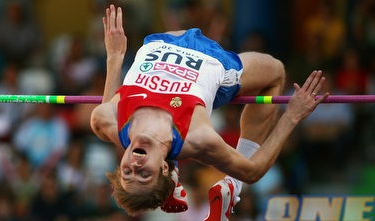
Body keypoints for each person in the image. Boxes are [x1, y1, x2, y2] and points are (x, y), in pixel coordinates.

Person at [90, 4, 329, 220]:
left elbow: (108, 101)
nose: (135, 164)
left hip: (161, 43)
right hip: (210, 60)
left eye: (127, 171)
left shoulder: (106, 122)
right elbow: (253, 171)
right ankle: (232, 186)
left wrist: (114, 55)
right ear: (161, 168)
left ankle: (173, 179)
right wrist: (292, 115)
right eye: (143, 175)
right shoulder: (197, 138)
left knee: (184, 11)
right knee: (276, 72)